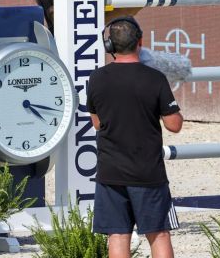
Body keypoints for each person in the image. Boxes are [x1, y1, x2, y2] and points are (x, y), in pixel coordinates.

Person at [87, 16, 182, 258]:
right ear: (141, 41)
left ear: (110, 46)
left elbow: (97, 124)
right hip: (148, 172)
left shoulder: (96, 79)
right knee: (158, 234)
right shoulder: (155, 78)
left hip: (111, 172)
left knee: (118, 236)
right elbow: (174, 125)